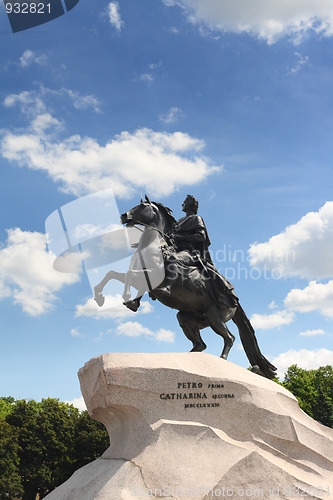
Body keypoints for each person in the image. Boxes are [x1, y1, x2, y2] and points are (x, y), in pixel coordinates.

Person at [160, 195, 238, 308]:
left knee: (173, 259)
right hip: (177, 249)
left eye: (184, 202)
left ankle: (167, 287)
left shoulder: (196, 219)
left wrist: (181, 237)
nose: (182, 204)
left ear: (190, 205)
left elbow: (201, 236)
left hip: (190, 253)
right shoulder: (180, 221)